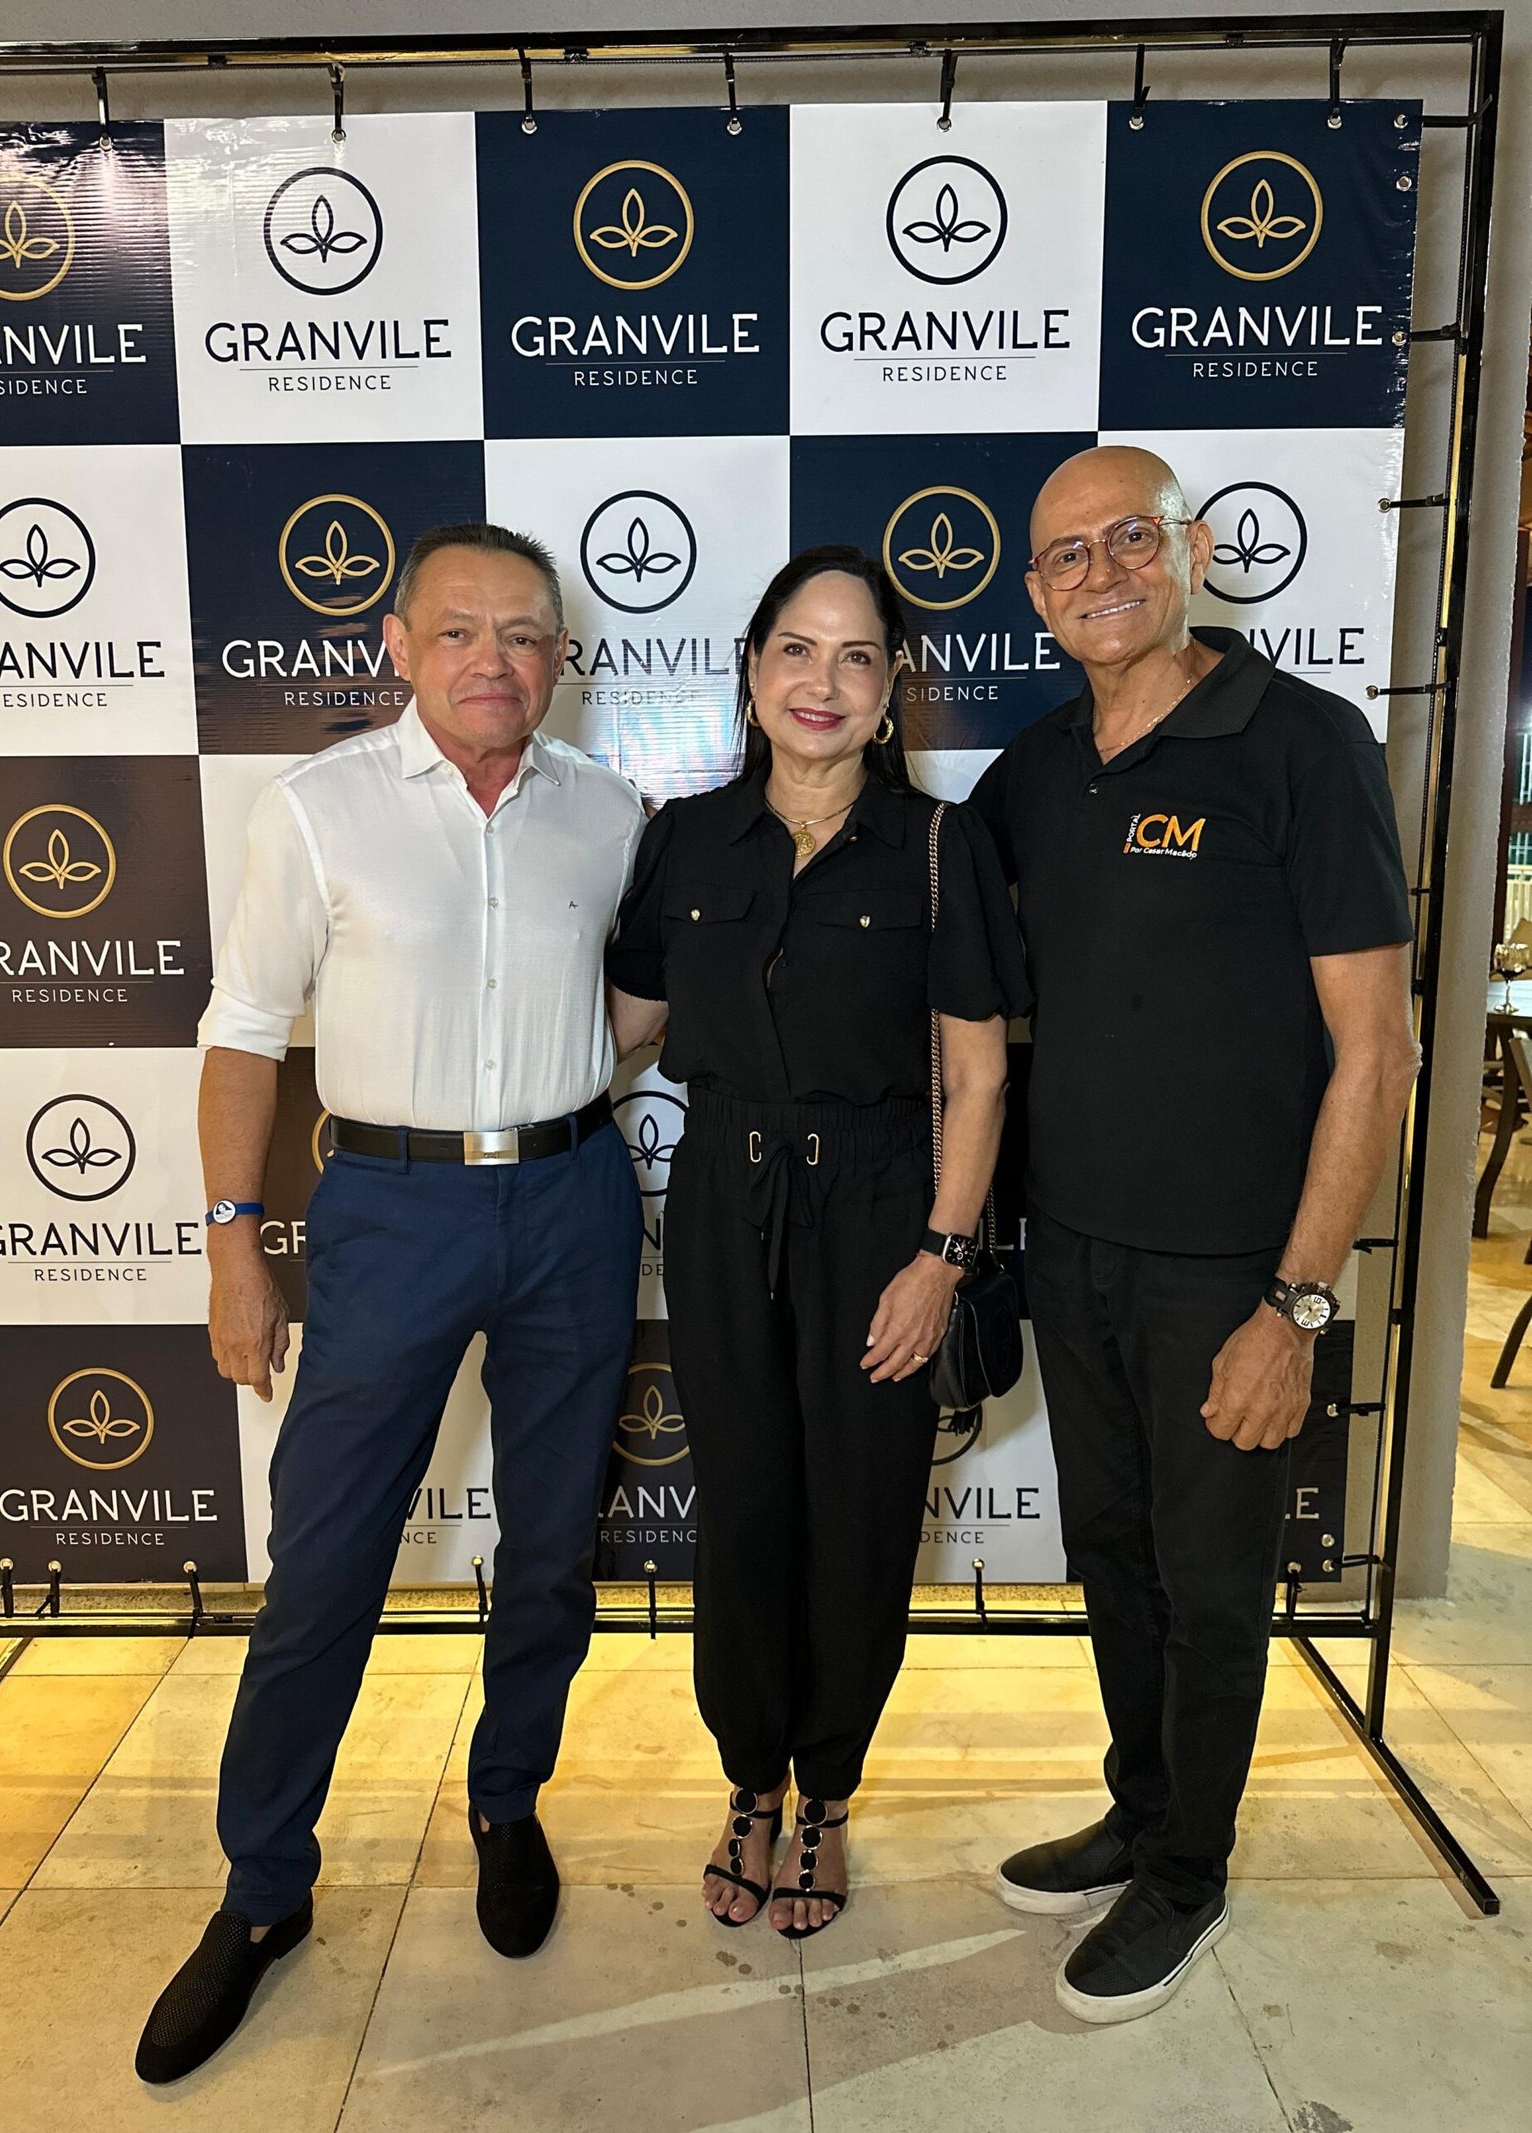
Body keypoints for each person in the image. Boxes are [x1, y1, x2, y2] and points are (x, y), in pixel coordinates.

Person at [136, 523, 645, 2083]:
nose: (496, 659)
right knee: (327, 1563)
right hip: (388, 1209)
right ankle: (262, 1889)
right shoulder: (319, 806)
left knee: (549, 1548)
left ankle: (507, 1800)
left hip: (573, 1197)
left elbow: (636, 1001)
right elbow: (243, 1028)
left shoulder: (612, 811)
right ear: (400, 647)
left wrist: (567, 1074)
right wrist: (233, 1245)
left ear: (560, 659)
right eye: (461, 630)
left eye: (526, 634)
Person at [969, 447, 1419, 2023]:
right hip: (1070, 1246)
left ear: (1196, 547)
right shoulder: (1033, 772)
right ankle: (1141, 1804)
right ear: (1036, 593)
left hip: (1233, 1275)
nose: (1099, 573)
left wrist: (1297, 1306)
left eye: (1128, 540)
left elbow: (1378, 1048)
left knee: (1213, 1583)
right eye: (1065, 555)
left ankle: (1189, 1870)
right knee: (1113, 1554)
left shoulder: (1302, 740)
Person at [607, 546, 1028, 1939]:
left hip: (880, 1209)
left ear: (892, 687)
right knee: (742, 1508)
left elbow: (977, 1076)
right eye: (798, 648)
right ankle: (749, 1782)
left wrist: (941, 1256)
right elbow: (621, 1028)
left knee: (856, 1513)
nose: (823, 682)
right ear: (751, 669)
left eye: (857, 657)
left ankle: (829, 1792)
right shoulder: (683, 838)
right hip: (725, 1204)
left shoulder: (938, 845)